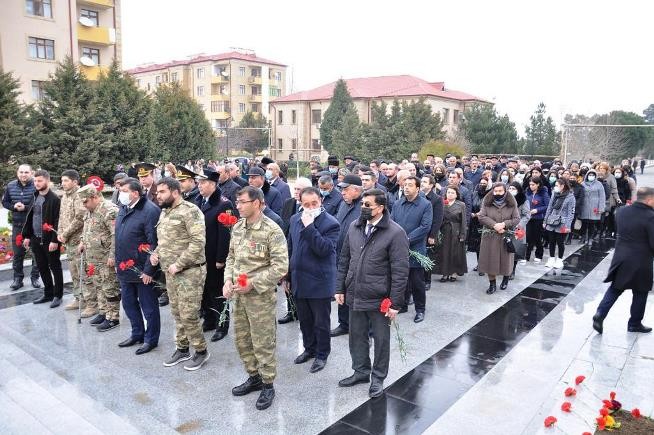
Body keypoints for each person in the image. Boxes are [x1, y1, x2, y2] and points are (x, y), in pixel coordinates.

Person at [336, 189, 409, 398]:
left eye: (368, 205)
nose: (363, 208)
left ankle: (378, 377)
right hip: (355, 292)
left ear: (381, 208)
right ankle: (360, 371)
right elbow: (344, 259)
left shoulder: (395, 233)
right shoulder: (354, 226)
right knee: (356, 336)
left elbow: (400, 271)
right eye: (362, 205)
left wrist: (395, 303)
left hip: (379, 297)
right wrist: (340, 287)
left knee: (380, 340)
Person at [223, 186, 289, 410]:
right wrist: (227, 280)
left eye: (242, 202)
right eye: (237, 201)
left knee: (263, 342)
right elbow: (231, 257)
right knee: (242, 340)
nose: (238, 206)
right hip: (238, 297)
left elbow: (280, 267)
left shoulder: (272, 230)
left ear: (258, 203)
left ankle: (268, 383)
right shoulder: (238, 227)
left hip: (259, 298)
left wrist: (252, 283)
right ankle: (254, 377)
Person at [150, 177, 209, 371]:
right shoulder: (165, 212)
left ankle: (201, 351)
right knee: (176, 312)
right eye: (157, 192)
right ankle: (182, 348)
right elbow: (165, 240)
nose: (158, 196)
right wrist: (157, 253)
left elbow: (197, 243)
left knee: (189, 314)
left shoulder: (190, 211)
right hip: (170, 272)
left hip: (190, 272)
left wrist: (179, 263)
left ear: (175, 192)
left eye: (162, 192)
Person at [286, 187, 340, 373]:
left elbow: (324, 249)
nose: (309, 208)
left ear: (321, 202)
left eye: (314, 204)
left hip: (319, 281)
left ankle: (322, 353)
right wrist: (287, 275)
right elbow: (290, 248)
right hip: (299, 278)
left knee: (321, 321)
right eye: (305, 204)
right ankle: (309, 348)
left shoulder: (331, 223)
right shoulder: (294, 219)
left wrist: (310, 227)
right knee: (304, 319)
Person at [593, 187, 654, 334]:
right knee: (640, 292)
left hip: (620, 257)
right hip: (641, 260)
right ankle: (634, 323)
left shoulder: (622, 211)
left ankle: (600, 313)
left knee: (615, 288)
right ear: (649, 200)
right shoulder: (651, 216)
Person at [115, 178, 161, 355]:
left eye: (124, 190)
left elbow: (154, 243)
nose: (121, 194)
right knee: (128, 303)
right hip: (125, 267)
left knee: (148, 307)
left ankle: (151, 339)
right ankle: (137, 333)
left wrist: (149, 269)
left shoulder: (150, 211)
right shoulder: (124, 208)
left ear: (135, 193)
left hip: (142, 269)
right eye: (120, 190)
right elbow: (119, 237)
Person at [195, 170, 233, 341]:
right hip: (200, 256)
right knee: (203, 291)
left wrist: (221, 259)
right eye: (198, 182)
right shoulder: (199, 200)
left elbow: (225, 235)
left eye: (202, 183)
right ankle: (209, 320)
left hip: (214, 256)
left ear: (212, 184)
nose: (199, 185)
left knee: (217, 293)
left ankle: (222, 324)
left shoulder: (224, 204)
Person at [77, 185, 121, 331]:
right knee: (99, 286)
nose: (84, 205)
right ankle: (104, 312)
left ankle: (113, 317)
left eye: (86, 202)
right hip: (93, 257)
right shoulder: (90, 211)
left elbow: (116, 235)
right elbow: (87, 229)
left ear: (95, 197)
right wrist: (83, 241)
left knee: (109, 287)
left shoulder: (109, 210)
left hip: (105, 257)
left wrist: (112, 255)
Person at [391, 176, 432, 323]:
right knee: (401, 279)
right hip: (398, 248)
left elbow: (425, 227)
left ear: (418, 188)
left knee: (416, 281)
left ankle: (420, 309)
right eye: (405, 185)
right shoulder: (397, 204)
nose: (406, 187)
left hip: (415, 248)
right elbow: (392, 222)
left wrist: (407, 240)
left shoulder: (425, 205)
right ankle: (402, 304)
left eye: (410, 185)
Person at [21, 170, 63, 307]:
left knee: (55, 267)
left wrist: (54, 240)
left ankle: (58, 295)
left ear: (47, 181)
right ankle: (48, 293)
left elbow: (58, 221)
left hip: (49, 240)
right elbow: (30, 217)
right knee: (42, 267)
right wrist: (27, 236)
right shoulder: (34, 196)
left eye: (40, 181)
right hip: (35, 238)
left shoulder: (55, 199)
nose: (37, 184)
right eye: (35, 181)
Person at [330, 174, 363, 337]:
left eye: (346, 189)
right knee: (341, 288)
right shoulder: (343, 204)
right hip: (341, 255)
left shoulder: (365, 206)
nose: (342, 192)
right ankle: (344, 324)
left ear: (356, 190)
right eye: (341, 189)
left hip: (358, 256)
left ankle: (364, 327)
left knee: (358, 291)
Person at [278, 177, 312, 325]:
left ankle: (303, 311)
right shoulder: (288, 203)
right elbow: (283, 223)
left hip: (303, 250)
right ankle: (292, 311)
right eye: (296, 189)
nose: (297, 192)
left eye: (300, 189)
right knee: (288, 281)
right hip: (287, 247)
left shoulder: (310, 207)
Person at [2, 164, 40, 290]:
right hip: (18, 226)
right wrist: (13, 207)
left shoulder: (37, 185)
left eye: (26, 172)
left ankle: (35, 277)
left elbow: (41, 203)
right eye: (21, 172)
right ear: (17, 173)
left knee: (36, 253)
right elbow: (5, 202)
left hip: (34, 225)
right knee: (18, 254)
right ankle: (18, 279)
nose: (23, 174)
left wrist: (26, 208)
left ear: (31, 173)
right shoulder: (11, 186)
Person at [477, 182, 520, 294]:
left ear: (505, 191)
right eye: (495, 191)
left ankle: (506, 278)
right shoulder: (487, 201)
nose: (497, 193)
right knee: (490, 261)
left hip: (505, 235)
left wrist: (504, 224)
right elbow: (481, 216)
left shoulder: (511, 202)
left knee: (506, 260)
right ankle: (492, 284)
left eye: (500, 191)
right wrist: (494, 225)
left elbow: (516, 219)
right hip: (490, 236)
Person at [57, 169, 86, 310]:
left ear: (75, 182)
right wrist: (60, 232)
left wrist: (66, 233)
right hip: (68, 240)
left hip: (78, 240)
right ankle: (78, 298)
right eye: (62, 181)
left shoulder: (79, 196)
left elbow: (79, 218)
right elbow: (62, 216)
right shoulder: (65, 196)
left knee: (82, 271)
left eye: (66, 180)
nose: (63, 183)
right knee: (73, 271)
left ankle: (88, 300)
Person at [436, 186, 468, 283]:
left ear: (456, 194)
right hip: (444, 230)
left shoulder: (461, 205)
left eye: (452, 193)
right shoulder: (442, 203)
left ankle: (454, 273)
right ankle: (445, 273)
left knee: (455, 252)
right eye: (448, 192)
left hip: (456, 230)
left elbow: (464, 221)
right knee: (444, 252)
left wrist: (463, 234)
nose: (450, 194)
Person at [543, 178, 575, 269]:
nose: (555, 187)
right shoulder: (554, 194)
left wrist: (568, 225)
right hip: (552, 221)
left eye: (557, 185)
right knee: (551, 241)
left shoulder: (570, 197)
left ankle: (560, 260)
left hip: (563, 222)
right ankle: (551, 258)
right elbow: (549, 207)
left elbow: (571, 212)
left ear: (562, 186)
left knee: (560, 242)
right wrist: (545, 220)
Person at [421, 175, 443, 290]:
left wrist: (432, 235)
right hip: (418, 230)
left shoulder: (436, 199)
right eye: (422, 181)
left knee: (427, 257)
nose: (422, 183)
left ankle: (427, 280)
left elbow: (438, 219)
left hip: (428, 232)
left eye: (425, 182)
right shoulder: (417, 196)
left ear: (431, 185)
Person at [525, 176, 549, 263]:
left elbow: (547, 206)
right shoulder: (528, 192)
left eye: (533, 184)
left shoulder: (543, 193)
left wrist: (537, 210)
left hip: (538, 218)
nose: (531, 186)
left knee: (537, 237)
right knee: (528, 237)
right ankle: (526, 256)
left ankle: (539, 254)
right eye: (530, 184)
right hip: (529, 218)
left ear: (538, 184)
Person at [508, 181, 530, 277]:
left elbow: (527, 215)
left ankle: (513, 270)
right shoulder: (506, 199)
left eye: (514, 189)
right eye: (510, 188)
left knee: (515, 249)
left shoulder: (524, 200)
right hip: (507, 226)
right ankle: (505, 268)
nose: (511, 190)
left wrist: (519, 225)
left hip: (518, 228)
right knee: (506, 248)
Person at [469, 178, 489, 274]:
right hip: (475, 223)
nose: (482, 185)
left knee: (485, 246)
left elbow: (487, 209)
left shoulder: (490, 195)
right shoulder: (475, 194)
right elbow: (471, 204)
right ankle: (480, 264)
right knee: (478, 246)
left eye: (484, 183)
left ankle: (485, 265)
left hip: (486, 223)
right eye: (481, 183)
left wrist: (477, 214)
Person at [579, 169, 605, 244]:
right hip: (585, 205)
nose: (591, 176)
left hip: (595, 206)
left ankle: (590, 238)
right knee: (584, 223)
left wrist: (601, 208)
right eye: (590, 175)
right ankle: (583, 237)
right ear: (587, 175)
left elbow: (602, 196)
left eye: (593, 175)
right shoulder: (583, 184)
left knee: (592, 223)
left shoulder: (599, 184)